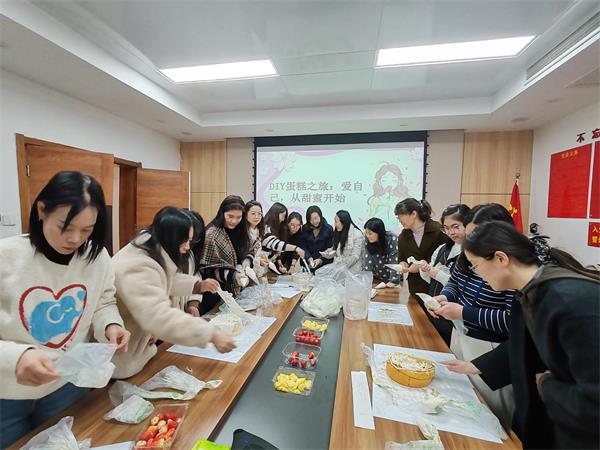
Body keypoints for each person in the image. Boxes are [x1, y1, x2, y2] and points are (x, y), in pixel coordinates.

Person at [0, 171, 130, 448]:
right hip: (6, 392)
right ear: (41, 210)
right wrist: (17, 356)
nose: (75, 239)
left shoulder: (96, 257)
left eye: (87, 230)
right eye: (65, 227)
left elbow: (103, 301)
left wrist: (111, 325)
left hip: (66, 384)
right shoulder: (6, 256)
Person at [444, 221, 599, 449]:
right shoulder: (531, 291)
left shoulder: (568, 301)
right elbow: (522, 344)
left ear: (500, 258)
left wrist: (546, 384)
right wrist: (476, 366)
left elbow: (594, 400)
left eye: (476, 266)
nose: (478, 276)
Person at [112, 207, 235, 378]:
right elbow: (159, 316)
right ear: (170, 238)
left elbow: (164, 279)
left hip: (140, 349)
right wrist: (210, 333)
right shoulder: (137, 266)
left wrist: (197, 286)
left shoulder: (152, 249)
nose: (187, 247)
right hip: (120, 356)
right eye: (185, 241)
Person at [428, 203, 516, 428]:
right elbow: (455, 282)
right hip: (461, 336)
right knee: (457, 407)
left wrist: (464, 312)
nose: (470, 238)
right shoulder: (468, 254)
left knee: (489, 418)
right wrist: (445, 297)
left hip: (492, 349)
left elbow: (512, 321)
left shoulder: (510, 266)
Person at [418, 203, 470, 345]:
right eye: (446, 228)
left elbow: (463, 285)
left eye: (455, 226)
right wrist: (425, 269)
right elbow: (429, 279)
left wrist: (438, 274)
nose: (451, 232)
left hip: (457, 317)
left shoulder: (473, 253)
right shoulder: (442, 248)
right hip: (438, 309)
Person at [200, 196, 254, 310]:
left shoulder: (241, 230)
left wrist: (247, 261)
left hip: (234, 290)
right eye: (230, 216)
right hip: (214, 293)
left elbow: (249, 250)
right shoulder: (212, 234)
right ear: (222, 213)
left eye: (239, 217)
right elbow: (208, 270)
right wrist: (234, 276)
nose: (234, 221)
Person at [395, 198, 451, 295]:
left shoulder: (438, 231)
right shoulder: (403, 236)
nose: (399, 220)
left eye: (401, 216)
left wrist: (422, 266)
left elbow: (447, 258)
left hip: (436, 284)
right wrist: (403, 265)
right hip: (415, 286)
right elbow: (402, 258)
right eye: (397, 217)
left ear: (413, 214)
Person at [262, 202, 305, 273]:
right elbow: (277, 245)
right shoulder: (267, 228)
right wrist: (296, 248)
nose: (283, 219)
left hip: (269, 262)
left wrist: (291, 265)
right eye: (283, 216)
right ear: (275, 214)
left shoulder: (299, 232)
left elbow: (277, 250)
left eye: (298, 225)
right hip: (264, 263)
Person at [367, 163, 410, 230]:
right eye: (385, 180)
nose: (389, 183)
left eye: (393, 180)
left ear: (399, 181)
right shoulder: (376, 200)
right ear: (379, 182)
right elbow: (370, 218)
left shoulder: (403, 199)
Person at [362, 217, 400, 286]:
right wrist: (366, 280)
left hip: (392, 277)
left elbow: (393, 260)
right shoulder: (367, 240)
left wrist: (393, 280)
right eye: (366, 233)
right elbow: (367, 261)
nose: (368, 236)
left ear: (379, 232)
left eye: (370, 233)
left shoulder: (392, 239)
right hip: (377, 278)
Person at [301, 205, 333, 271]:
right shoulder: (305, 228)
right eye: (311, 219)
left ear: (320, 216)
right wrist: (309, 258)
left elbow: (330, 249)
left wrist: (320, 260)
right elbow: (303, 247)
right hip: (308, 264)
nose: (314, 221)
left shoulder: (328, 229)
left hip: (323, 265)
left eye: (316, 218)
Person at [245, 200, 269, 280]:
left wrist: (263, 256)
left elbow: (258, 250)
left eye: (259, 214)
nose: (257, 217)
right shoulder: (243, 232)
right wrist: (258, 261)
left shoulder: (260, 230)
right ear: (246, 215)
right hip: (245, 271)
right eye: (253, 214)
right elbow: (242, 255)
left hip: (257, 271)